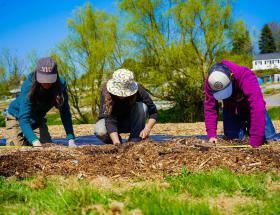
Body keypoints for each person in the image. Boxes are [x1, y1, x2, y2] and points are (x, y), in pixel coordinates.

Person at [5, 57, 76, 147]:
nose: (46, 83)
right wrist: (35, 141)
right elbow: (23, 118)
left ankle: (30, 139)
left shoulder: (60, 86)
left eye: (49, 79)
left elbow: (65, 112)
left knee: (47, 147)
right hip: (17, 116)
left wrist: (71, 139)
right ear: (37, 75)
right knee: (17, 150)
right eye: (43, 79)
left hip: (37, 119)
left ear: (55, 75)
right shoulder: (28, 86)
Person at [204, 60, 277, 147]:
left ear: (232, 77)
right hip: (231, 109)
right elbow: (210, 108)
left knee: (269, 138)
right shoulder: (210, 82)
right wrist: (211, 134)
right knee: (234, 139)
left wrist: (256, 139)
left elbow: (257, 106)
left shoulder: (245, 75)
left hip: (251, 109)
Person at [94, 68, 158, 145]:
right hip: (110, 125)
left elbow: (153, 112)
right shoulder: (106, 92)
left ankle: (134, 139)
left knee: (142, 106)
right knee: (100, 130)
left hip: (131, 122)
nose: (122, 96)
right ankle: (115, 141)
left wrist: (147, 128)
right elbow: (109, 119)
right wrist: (116, 143)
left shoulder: (139, 91)